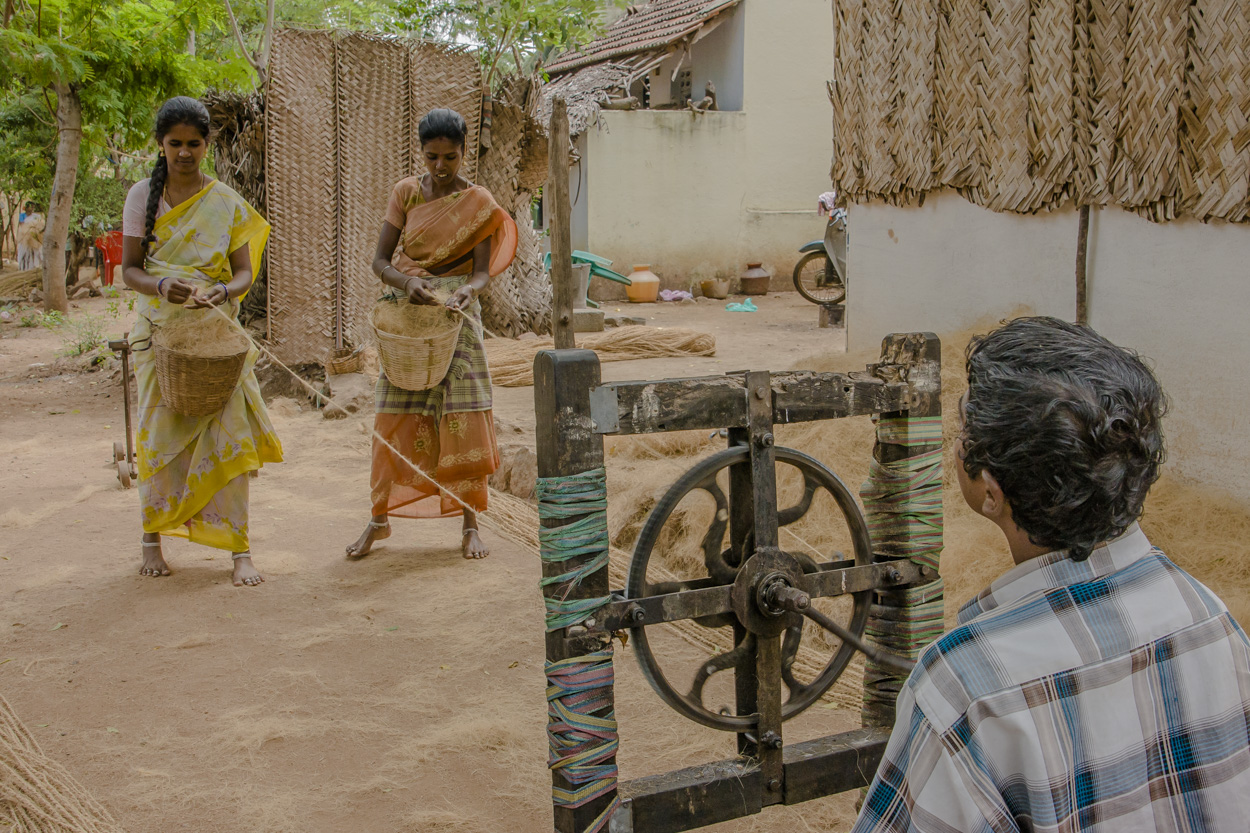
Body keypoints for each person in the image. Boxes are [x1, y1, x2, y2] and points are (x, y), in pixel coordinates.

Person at [852, 317, 1250, 832]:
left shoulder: (965, 689)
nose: (956, 443)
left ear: (991, 492)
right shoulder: (1208, 617)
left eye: (964, 431)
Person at [120, 96, 282, 587]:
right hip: (159, 334)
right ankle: (153, 537)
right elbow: (130, 270)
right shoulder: (138, 197)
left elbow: (242, 273)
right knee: (158, 437)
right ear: (160, 144)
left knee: (228, 434)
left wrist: (221, 290)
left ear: (207, 144)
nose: (185, 153)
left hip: (215, 336)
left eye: (194, 143)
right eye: (175, 144)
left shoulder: (225, 201)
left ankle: (239, 549)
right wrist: (161, 285)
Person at [346, 108, 517, 561]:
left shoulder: (478, 202)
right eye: (432, 157)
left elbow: (481, 274)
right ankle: (378, 519)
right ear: (421, 152)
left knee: (463, 416)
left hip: (456, 318)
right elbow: (380, 261)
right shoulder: (405, 192)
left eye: (450, 157)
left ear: (464, 152)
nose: (440, 167)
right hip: (410, 315)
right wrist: (408, 284)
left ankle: (469, 523)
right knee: (394, 414)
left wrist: (464, 291)